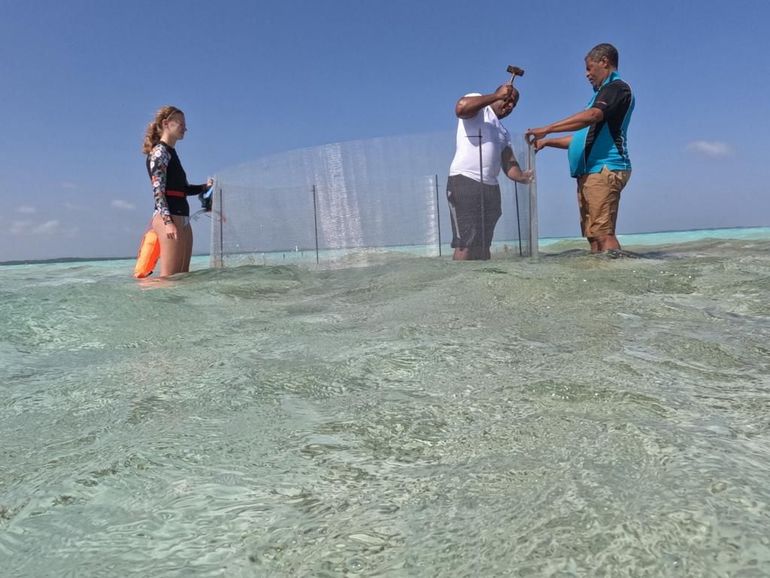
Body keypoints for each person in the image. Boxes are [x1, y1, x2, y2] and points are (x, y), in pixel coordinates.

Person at [526, 43, 634, 253]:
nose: (587, 74)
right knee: (593, 236)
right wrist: (547, 142)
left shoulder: (617, 88)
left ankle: (616, 280)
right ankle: (599, 278)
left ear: (604, 62)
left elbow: (592, 116)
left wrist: (548, 128)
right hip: (590, 173)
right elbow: (580, 139)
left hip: (605, 169)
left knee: (604, 234)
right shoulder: (599, 96)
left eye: (589, 67)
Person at [447, 83, 533, 260]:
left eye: (513, 105)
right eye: (507, 100)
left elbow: (509, 165)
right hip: (465, 180)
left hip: (491, 188)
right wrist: (496, 96)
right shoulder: (480, 109)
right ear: (498, 94)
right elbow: (461, 108)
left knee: (484, 243)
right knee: (466, 242)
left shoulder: (503, 131)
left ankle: (482, 283)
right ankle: (459, 285)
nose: (509, 107)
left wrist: (524, 176)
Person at [141, 106, 213, 276]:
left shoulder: (172, 153)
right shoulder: (159, 152)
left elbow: (183, 189)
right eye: (181, 124)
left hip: (183, 218)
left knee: (183, 278)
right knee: (169, 279)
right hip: (169, 218)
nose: (185, 128)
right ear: (166, 124)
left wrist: (204, 187)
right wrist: (168, 222)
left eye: (185, 125)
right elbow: (158, 190)